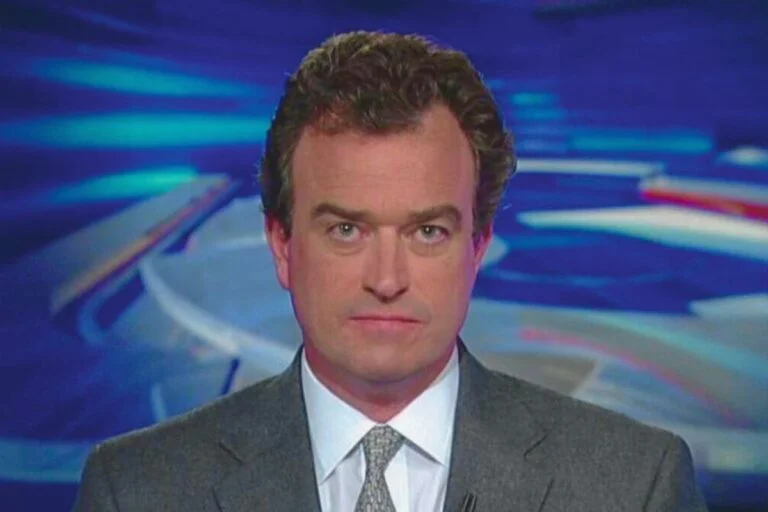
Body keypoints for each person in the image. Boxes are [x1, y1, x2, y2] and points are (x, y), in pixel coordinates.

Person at [73, 31, 708, 512]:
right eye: (346, 230)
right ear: (282, 245)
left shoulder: (633, 486)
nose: (386, 279)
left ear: (478, 247)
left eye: (427, 232)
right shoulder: (137, 491)